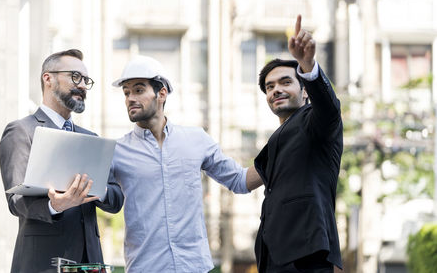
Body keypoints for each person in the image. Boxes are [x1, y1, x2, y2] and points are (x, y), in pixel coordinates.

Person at [110, 55, 262, 272]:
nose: (130, 98)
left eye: (138, 90)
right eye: (126, 93)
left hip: (194, 266)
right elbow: (99, 196)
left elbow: (239, 180)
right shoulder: (116, 151)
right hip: (145, 267)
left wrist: (280, 154)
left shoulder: (196, 139)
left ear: (161, 93)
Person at [0, 49, 123, 273]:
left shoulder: (92, 139)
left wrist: (94, 188)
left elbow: (116, 198)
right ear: (48, 78)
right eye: (75, 77)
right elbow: (15, 200)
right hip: (43, 263)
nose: (83, 85)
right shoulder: (21, 131)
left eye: (86, 80)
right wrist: (54, 205)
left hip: (90, 263)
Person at [253, 15, 343, 273]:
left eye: (285, 82)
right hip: (273, 258)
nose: (275, 90)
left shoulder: (316, 122)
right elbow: (247, 179)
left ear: (304, 91)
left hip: (307, 256)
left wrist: (308, 65)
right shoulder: (278, 139)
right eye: (269, 87)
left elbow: (329, 107)